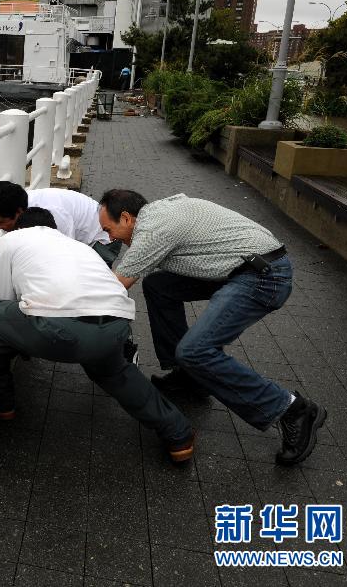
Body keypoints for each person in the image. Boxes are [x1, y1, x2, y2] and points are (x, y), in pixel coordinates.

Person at [97, 189, 327, 466]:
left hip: (263, 276)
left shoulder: (154, 229)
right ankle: (188, 377)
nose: (110, 239)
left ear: (126, 218)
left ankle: (292, 409)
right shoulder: (158, 212)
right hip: (241, 264)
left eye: (109, 230)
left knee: (195, 350)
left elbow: (114, 286)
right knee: (159, 286)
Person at [0, 207, 195, 462]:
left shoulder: (11, 240)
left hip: (61, 331)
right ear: (53, 228)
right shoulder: (79, 247)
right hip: (115, 326)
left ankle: (2, 403)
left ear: (19, 227)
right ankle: (179, 435)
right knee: (115, 373)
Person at [0, 181, 122, 267]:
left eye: (0, 222)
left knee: (92, 282)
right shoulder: (20, 205)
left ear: (18, 212)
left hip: (103, 240)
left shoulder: (53, 214)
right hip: (86, 234)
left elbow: (66, 255)